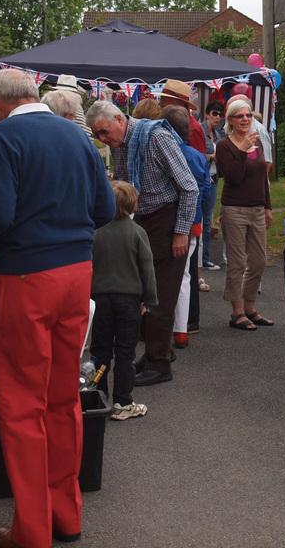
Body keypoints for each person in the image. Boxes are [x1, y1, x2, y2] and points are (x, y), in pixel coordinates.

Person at [0, 69, 115, 548]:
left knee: (21, 403)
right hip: (76, 275)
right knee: (62, 397)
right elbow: (105, 210)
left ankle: (31, 530)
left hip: (26, 278)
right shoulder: (78, 138)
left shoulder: (0, 140)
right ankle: (65, 515)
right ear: (34, 95)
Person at [87, 99, 198, 387]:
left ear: (119, 120)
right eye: (97, 135)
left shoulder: (156, 136)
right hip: (143, 220)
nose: (102, 139)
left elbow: (189, 186)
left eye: (103, 132)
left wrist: (181, 231)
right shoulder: (120, 143)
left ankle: (159, 364)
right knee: (145, 294)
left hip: (167, 219)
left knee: (159, 297)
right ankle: (155, 353)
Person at [90, 181, 157, 421]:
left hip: (99, 299)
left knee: (100, 351)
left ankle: (98, 395)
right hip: (129, 299)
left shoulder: (95, 232)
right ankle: (123, 401)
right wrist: (148, 298)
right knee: (125, 352)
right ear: (132, 205)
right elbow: (146, 268)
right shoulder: (137, 232)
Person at [216, 97, 274, 331]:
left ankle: (251, 307)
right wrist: (240, 151)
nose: (245, 119)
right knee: (237, 262)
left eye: (248, 115)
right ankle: (237, 312)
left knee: (259, 261)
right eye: (239, 116)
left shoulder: (257, 142)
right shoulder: (224, 146)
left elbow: (263, 177)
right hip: (234, 209)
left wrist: (268, 206)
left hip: (257, 208)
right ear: (230, 120)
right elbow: (232, 177)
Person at [162, 105, 211, 349]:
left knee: (165, 275)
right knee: (184, 275)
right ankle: (181, 329)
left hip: (170, 220)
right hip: (194, 222)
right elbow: (204, 189)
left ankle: (165, 326)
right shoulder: (198, 156)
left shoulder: (165, 152)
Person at [200, 101, 225, 275]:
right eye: (215, 113)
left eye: (220, 114)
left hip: (213, 179)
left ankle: (205, 257)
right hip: (202, 178)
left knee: (208, 219)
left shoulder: (218, 134)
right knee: (199, 219)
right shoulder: (199, 131)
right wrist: (210, 157)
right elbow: (194, 154)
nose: (217, 117)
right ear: (207, 114)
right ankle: (200, 257)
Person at [159, 78, 208, 155]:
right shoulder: (171, 122)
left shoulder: (193, 128)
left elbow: (198, 159)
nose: (160, 104)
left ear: (179, 104)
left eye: (165, 100)